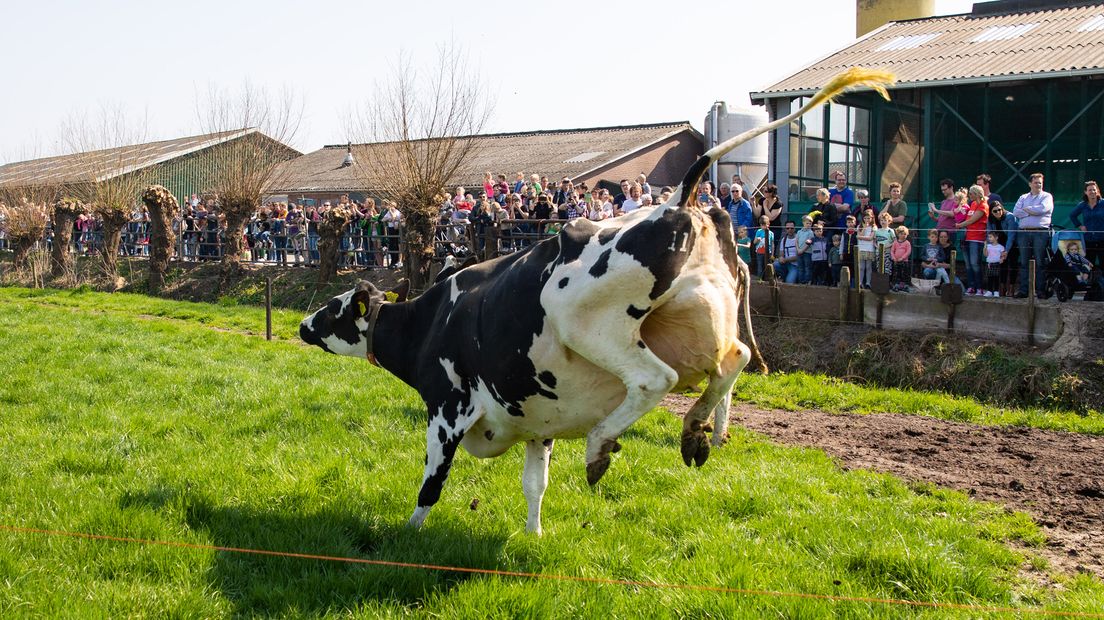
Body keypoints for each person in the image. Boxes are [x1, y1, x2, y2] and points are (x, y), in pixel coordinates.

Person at [1012, 173, 1053, 298]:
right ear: (1030, 184)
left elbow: (1043, 209)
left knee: (1040, 262)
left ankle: (1041, 291)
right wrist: (1032, 211)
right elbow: (1015, 212)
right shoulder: (1023, 197)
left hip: (1040, 232)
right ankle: (1024, 291)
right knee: (1024, 262)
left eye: (1040, 182)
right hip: (1023, 233)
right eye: (1035, 182)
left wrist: (1026, 210)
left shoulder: (1047, 196)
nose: (1038, 185)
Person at [956, 185, 989, 295]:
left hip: (977, 238)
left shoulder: (983, 205)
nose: (969, 196)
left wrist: (959, 225)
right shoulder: (973, 204)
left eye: (971, 193)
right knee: (968, 264)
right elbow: (967, 218)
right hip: (968, 237)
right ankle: (971, 286)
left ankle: (980, 287)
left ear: (977, 194)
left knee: (975, 263)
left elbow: (971, 220)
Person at [987, 200, 1018, 296]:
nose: (998, 212)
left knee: (1013, 265)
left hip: (1012, 244)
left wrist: (1006, 251)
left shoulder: (1010, 217)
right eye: (995, 211)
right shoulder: (990, 220)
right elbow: (989, 234)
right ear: (991, 212)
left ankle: (1011, 288)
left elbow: (1011, 236)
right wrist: (992, 249)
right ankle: (1002, 287)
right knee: (1002, 265)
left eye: (999, 209)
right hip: (999, 244)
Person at [1071, 180, 1104, 269]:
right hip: (1089, 239)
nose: (1092, 192)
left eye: (1094, 190)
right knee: (1089, 264)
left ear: (1097, 191)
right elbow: (1072, 215)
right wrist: (1080, 226)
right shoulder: (1083, 205)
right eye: (1090, 190)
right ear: (1086, 192)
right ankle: (1090, 282)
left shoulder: (1103, 203)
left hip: (1102, 239)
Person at [983, 231, 1006, 297]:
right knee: (990, 278)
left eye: (990, 237)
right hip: (989, 264)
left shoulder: (1000, 247)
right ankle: (989, 291)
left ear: (996, 238)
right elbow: (985, 254)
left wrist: (1002, 258)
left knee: (996, 278)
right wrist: (985, 246)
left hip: (997, 264)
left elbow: (1003, 254)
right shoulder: (988, 246)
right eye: (988, 237)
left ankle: (996, 291)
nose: (989, 238)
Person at [857, 211, 876, 288]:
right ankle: (860, 282)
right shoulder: (859, 226)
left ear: (872, 218)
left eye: (868, 218)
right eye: (865, 218)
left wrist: (860, 237)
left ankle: (868, 283)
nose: (867, 220)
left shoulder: (874, 227)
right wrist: (864, 227)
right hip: (861, 249)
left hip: (869, 249)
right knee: (861, 267)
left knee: (868, 267)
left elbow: (870, 238)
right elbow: (860, 234)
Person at [839, 214, 859, 286]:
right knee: (845, 269)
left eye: (852, 222)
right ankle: (845, 284)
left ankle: (853, 285)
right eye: (848, 222)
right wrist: (841, 253)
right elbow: (841, 244)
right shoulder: (844, 233)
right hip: (845, 254)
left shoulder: (857, 232)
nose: (850, 224)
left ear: (855, 223)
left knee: (853, 269)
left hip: (854, 254)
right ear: (846, 224)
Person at [890, 226, 912, 291]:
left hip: (904, 261)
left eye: (905, 234)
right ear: (898, 234)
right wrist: (893, 258)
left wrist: (902, 258)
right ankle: (896, 285)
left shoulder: (907, 243)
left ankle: (904, 286)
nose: (903, 235)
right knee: (896, 273)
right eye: (901, 234)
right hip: (896, 261)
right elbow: (892, 250)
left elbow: (908, 251)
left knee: (904, 274)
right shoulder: (895, 242)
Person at [794, 215, 814, 284]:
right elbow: (796, 241)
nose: (808, 225)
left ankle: (807, 281)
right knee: (800, 267)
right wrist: (798, 249)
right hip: (799, 252)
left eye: (810, 223)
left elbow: (809, 243)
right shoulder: (799, 232)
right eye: (807, 223)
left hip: (807, 252)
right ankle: (800, 281)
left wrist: (802, 250)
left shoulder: (811, 232)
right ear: (803, 223)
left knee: (807, 267)